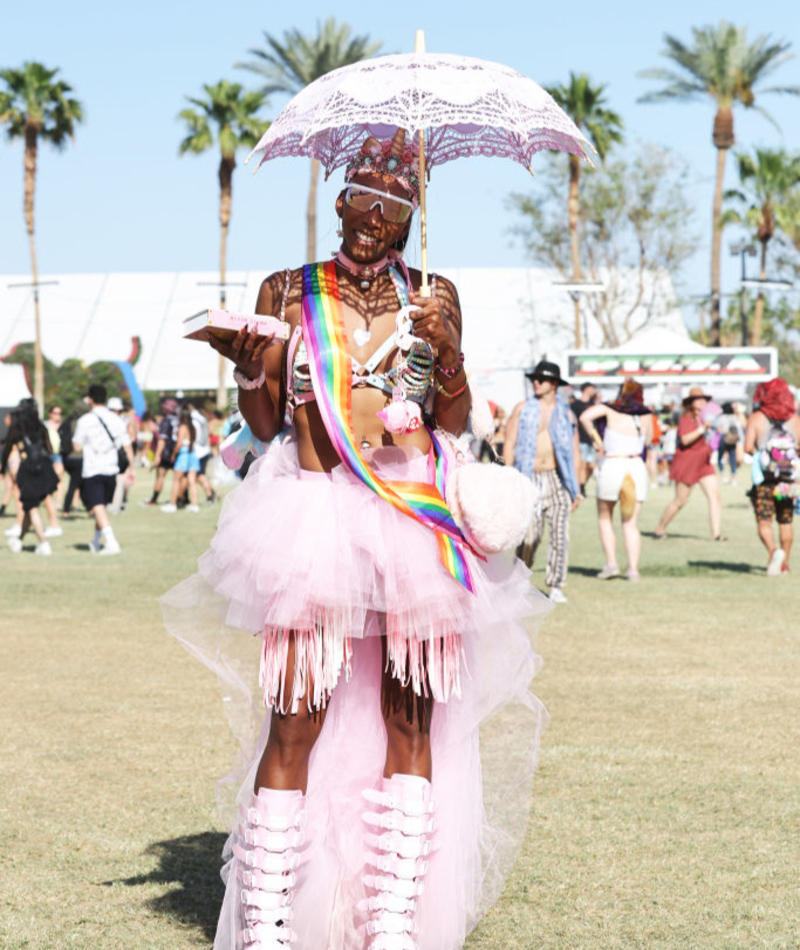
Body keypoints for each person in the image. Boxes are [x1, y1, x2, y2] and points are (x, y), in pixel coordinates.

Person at [161, 130, 549, 950]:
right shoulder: (287, 286)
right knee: (293, 718)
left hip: (410, 523)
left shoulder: (435, 291)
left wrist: (447, 353)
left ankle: (392, 923)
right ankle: (266, 920)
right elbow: (266, 427)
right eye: (360, 197)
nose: (371, 215)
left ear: (412, 213)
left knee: (410, 719)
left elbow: (453, 421)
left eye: (390, 202)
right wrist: (249, 369)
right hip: (311, 521)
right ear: (338, 200)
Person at [504, 360, 581, 604]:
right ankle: (518, 581)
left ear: (554, 384)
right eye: (535, 379)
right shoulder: (522, 408)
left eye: (542, 379)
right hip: (529, 476)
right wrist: (509, 478)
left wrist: (576, 488)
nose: (536, 383)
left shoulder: (566, 412)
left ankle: (556, 584)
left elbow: (575, 450)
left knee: (560, 534)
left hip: (557, 478)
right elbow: (509, 443)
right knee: (529, 536)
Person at [579, 378, 653, 581]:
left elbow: (585, 417)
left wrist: (596, 439)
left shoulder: (610, 409)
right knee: (631, 523)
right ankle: (633, 569)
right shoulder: (646, 414)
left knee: (605, 518)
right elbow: (648, 440)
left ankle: (611, 564)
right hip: (635, 465)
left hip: (612, 463)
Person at [744, 377, 800, 576]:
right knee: (786, 521)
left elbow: (748, 447)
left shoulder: (757, 418)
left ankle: (773, 552)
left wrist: (764, 455)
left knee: (764, 521)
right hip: (787, 481)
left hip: (764, 481)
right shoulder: (794, 420)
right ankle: (784, 564)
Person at [653, 385, 725, 541]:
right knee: (680, 500)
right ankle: (660, 528)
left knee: (715, 496)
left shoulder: (708, 419)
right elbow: (685, 440)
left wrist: (716, 432)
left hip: (704, 461)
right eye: (697, 399)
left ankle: (716, 533)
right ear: (690, 403)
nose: (701, 402)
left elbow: (712, 440)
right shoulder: (686, 419)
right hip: (687, 462)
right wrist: (701, 429)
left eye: (703, 399)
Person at [72, 383, 134, 555]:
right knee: (102, 507)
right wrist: (131, 468)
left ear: (90, 400)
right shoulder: (117, 419)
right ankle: (96, 541)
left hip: (93, 468)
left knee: (97, 507)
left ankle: (112, 542)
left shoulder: (85, 420)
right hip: (112, 468)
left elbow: (76, 446)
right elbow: (127, 445)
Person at [2, 400, 59, 555]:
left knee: (31, 506)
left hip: (28, 469)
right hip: (45, 467)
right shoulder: (41, 427)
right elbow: (50, 449)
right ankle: (19, 539)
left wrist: (3, 468)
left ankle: (43, 543)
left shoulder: (18, 427)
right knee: (29, 505)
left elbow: (6, 449)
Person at [161, 405, 200, 513]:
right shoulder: (193, 428)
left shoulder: (183, 427)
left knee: (176, 480)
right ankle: (194, 504)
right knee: (192, 481)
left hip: (183, 454)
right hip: (192, 453)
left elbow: (179, 443)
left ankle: (172, 503)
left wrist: (173, 455)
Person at [143, 397, 178, 506]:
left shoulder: (166, 421)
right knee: (180, 478)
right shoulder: (178, 419)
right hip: (178, 451)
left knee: (160, 476)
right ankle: (181, 499)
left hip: (166, 453)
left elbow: (162, 440)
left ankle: (154, 499)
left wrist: (157, 455)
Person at [570, 381, 599, 496]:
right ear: (586, 389)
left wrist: (597, 439)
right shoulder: (575, 405)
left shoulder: (593, 405)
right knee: (581, 465)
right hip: (580, 439)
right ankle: (579, 489)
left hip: (591, 440)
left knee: (591, 466)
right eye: (592, 388)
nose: (594, 391)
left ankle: (582, 485)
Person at [715, 401, 743, 485]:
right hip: (732, 438)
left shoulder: (721, 417)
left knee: (720, 457)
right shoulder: (733, 417)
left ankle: (723, 475)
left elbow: (719, 429)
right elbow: (737, 427)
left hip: (723, 437)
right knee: (732, 457)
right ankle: (733, 477)